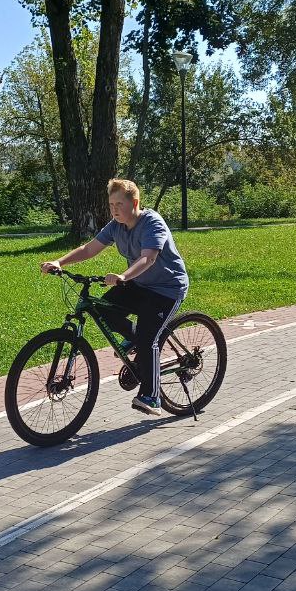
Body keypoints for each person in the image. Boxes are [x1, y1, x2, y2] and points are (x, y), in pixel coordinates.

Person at [40, 178, 189, 416]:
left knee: (148, 338)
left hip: (167, 289)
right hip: (138, 283)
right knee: (104, 309)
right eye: (111, 204)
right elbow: (89, 248)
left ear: (135, 203)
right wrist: (60, 262)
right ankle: (135, 340)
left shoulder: (152, 223)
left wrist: (123, 276)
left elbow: (148, 258)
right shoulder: (115, 226)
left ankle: (152, 397)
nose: (114, 209)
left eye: (119, 204)